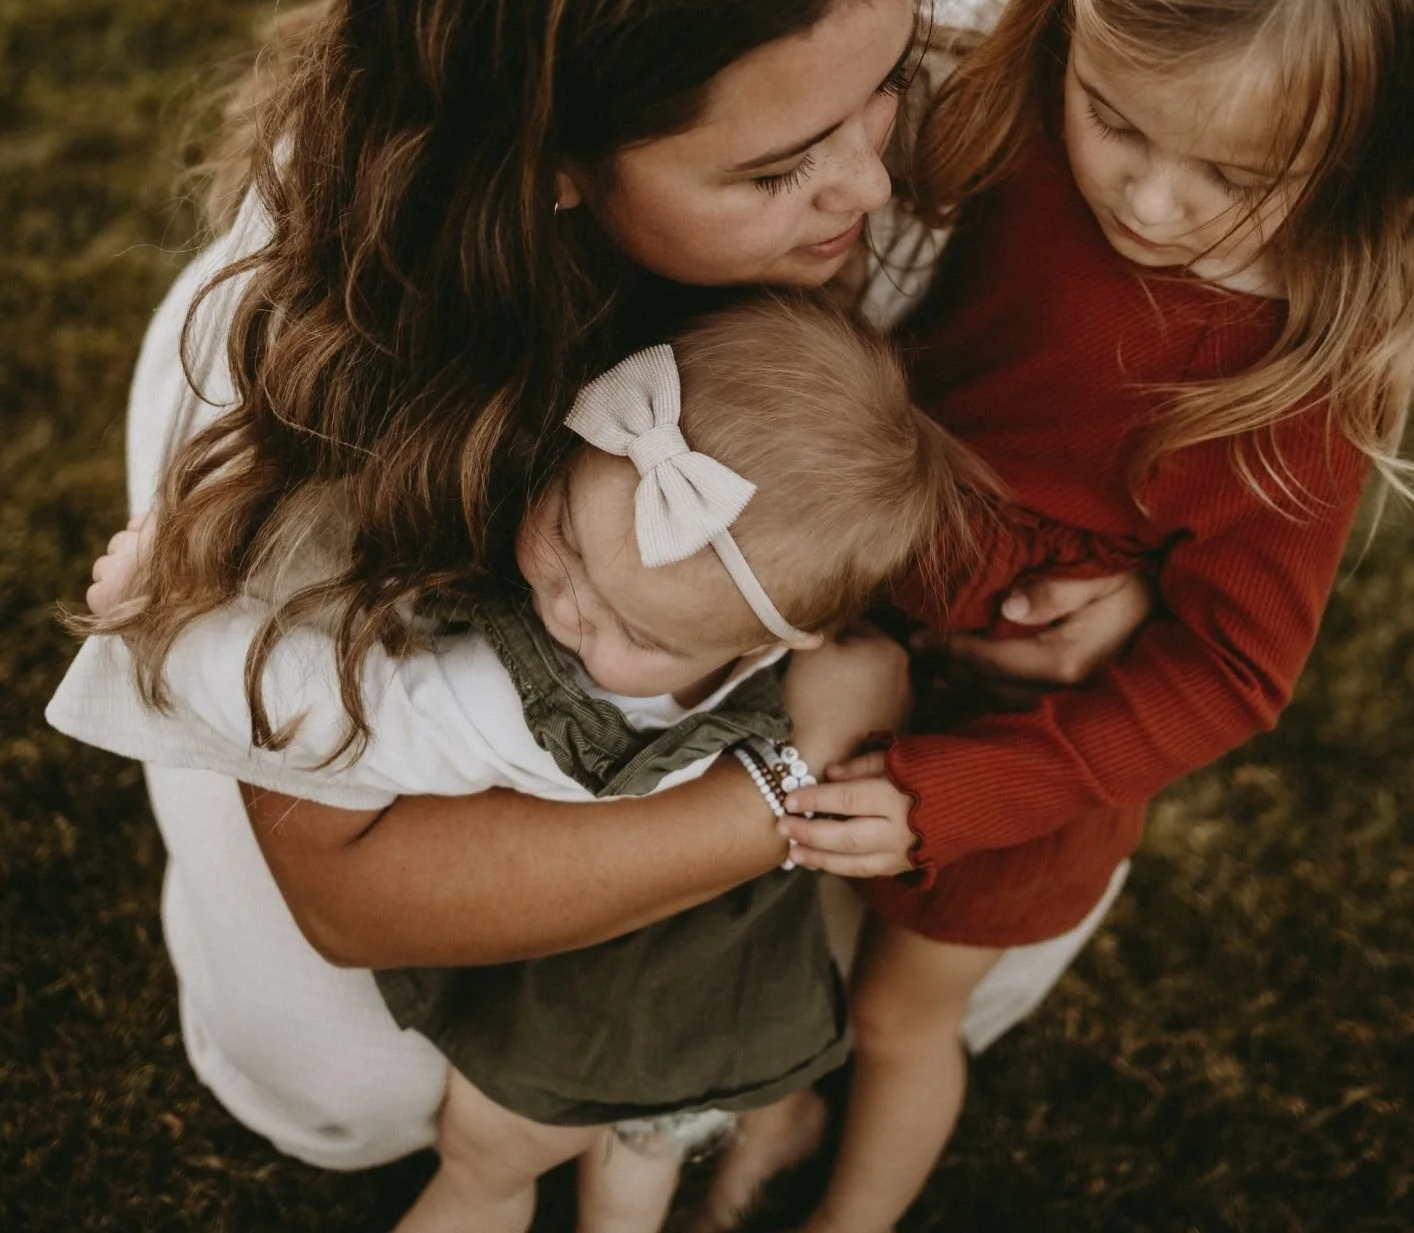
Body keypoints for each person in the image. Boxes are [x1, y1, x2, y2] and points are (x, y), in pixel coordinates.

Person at [47, 0, 1144, 1176]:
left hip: (721, 644)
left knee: (984, 937)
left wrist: (1077, 592)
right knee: (345, 1095)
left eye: (879, 95)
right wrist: (780, 792)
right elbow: (353, 894)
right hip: (364, 635)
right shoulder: (302, 359)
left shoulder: (884, 51)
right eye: (773, 175)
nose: (869, 192)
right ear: (548, 168)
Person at [777, 0, 1414, 1233]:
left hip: (1022, 746)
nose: (1150, 197)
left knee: (896, 1019)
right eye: (1120, 120)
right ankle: (759, 1103)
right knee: (756, 932)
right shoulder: (1021, 127)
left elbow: (1234, 676)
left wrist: (973, 791)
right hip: (852, 594)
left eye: (1240, 177)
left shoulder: (1294, 386)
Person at [61, 296, 966, 1233]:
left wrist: (176, 628)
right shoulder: (775, 619)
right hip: (701, 979)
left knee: (487, 1169)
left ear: (771, 639)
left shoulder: (531, 716)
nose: (570, 611)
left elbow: (352, 711)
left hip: (590, 994)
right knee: (632, 1167)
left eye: (633, 632)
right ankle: (764, 1128)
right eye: (567, 538)